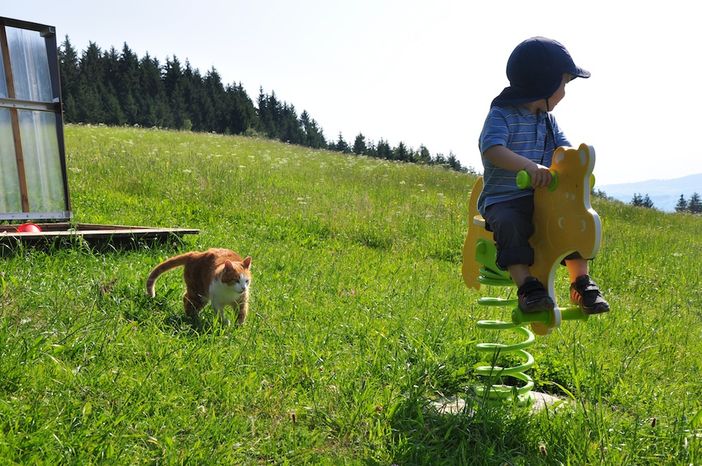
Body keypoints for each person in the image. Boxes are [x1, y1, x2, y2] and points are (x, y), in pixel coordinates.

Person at [478, 36, 609, 314]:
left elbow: (563, 151)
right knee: (509, 223)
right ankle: (528, 288)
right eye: (563, 83)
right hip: (504, 199)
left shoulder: (546, 120)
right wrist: (528, 166)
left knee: (572, 219)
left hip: (539, 198)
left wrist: (578, 169)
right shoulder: (502, 115)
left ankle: (581, 282)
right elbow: (491, 148)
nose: (564, 90)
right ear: (545, 84)